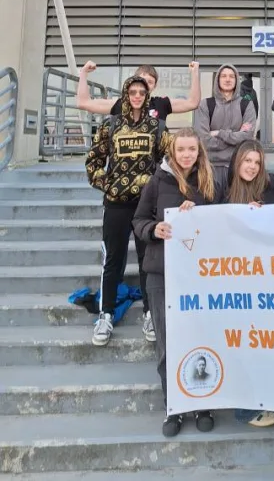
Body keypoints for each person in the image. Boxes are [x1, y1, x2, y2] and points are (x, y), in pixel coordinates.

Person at [132, 127, 217, 438]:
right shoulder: (158, 180)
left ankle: (203, 403)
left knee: (201, 338)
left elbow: (222, 220)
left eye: (191, 149)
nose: (186, 155)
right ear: (172, 151)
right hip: (161, 273)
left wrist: (199, 213)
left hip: (199, 274)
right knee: (168, 344)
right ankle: (175, 407)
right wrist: (155, 229)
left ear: (199, 152)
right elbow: (138, 220)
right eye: (181, 149)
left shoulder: (209, 181)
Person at [85, 75, 170, 348]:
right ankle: (106, 314)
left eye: (141, 92)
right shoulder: (110, 125)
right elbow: (93, 161)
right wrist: (107, 184)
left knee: (147, 260)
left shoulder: (157, 127)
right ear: (125, 95)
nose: (136, 96)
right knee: (113, 260)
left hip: (145, 207)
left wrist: (157, 187)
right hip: (116, 205)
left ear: (147, 96)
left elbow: (171, 161)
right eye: (132, 92)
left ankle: (149, 313)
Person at [225, 139, 274, 429]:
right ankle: (247, 409)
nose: (252, 167)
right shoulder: (224, 190)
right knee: (248, 347)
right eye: (247, 161)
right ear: (237, 161)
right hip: (239, 284)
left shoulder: (271, 186)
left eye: (257, 162)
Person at [194, 63, 257, 191]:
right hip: (209, 168)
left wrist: (219, 133)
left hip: (237, 168)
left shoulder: (246, 105)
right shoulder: (206, 105)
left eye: (231, 77)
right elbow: (203, 140)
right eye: (223, 76)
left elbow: (247, 137)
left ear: (236, 81)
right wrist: (234, 140)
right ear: (217, 80)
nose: (227, 79)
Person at [77, 60, 201, 119]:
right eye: (141, 80)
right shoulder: (119, 104)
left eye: (150, 82)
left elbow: (193, 103)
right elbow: (84, 103)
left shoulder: (161, 104)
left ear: (154, 86)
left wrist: (195, 73)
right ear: (133, 81)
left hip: (154, 168)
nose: (145, 85)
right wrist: (83, 73)